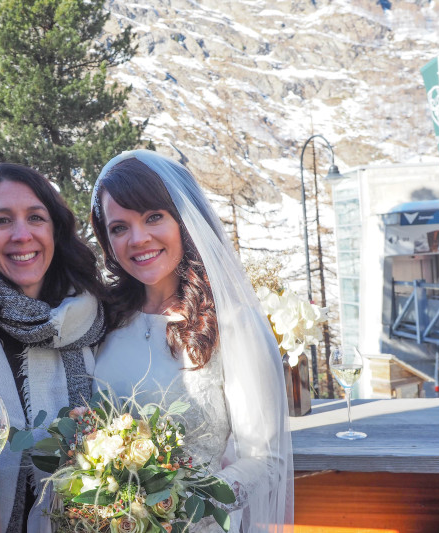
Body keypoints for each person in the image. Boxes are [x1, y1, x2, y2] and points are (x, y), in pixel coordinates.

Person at [90, 150, 293, 532]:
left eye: (153, 217)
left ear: (184, 221)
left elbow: (267, 461)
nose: (138, 239)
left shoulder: (234, 325)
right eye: (119, 227)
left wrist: (174, 502)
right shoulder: (103, 318)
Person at [0, 163, 106, 533]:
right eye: (2, 221)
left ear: (55, 230)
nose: (22, 235)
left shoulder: (93, 318)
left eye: (36, 218)